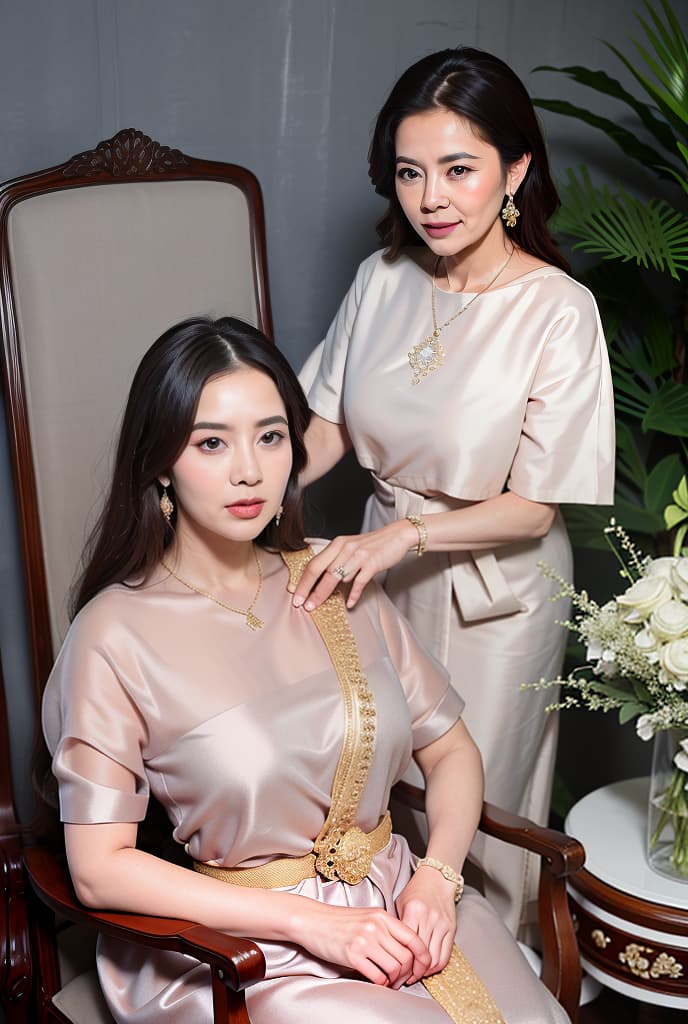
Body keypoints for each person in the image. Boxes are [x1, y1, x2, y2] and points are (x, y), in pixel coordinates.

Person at [42, 316, 568, 1023]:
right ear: (161, 461)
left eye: (270, 435)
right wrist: (309, 923)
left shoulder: (333, 575)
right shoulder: (114, 632)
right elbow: (98, 868)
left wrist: (438, 881)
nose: (249, 471)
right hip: (248, 950)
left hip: (404, 908)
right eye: (210, 443)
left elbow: (452, 752)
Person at [295, 47, 615, 937]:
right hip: (377, 568)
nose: (431, 197)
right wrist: (234, 489)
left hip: (495, 601)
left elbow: (538, 506)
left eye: (459, 169)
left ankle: (487, 985)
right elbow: (325, 427)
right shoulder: (382, 280)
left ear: (515, 170)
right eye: (409, 172)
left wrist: (401, 540)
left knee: (477, 820)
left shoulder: (557, 309)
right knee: (366, 789)